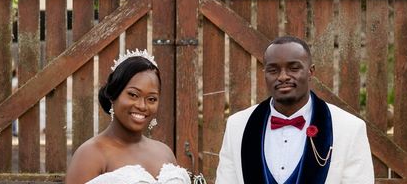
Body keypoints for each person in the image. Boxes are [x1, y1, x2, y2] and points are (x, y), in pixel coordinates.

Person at [215, 35, 374, 184]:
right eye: (273, 70)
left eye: (293, 68)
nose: (283, 76)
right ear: (264, 73)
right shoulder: (237, 126)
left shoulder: (350, 128)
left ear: (311, 72)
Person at [65, 49, 192, 184]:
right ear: (114, 96)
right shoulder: (91, 154)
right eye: (133, 95)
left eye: (151, 99)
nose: (142, 106)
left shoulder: (165, 152)